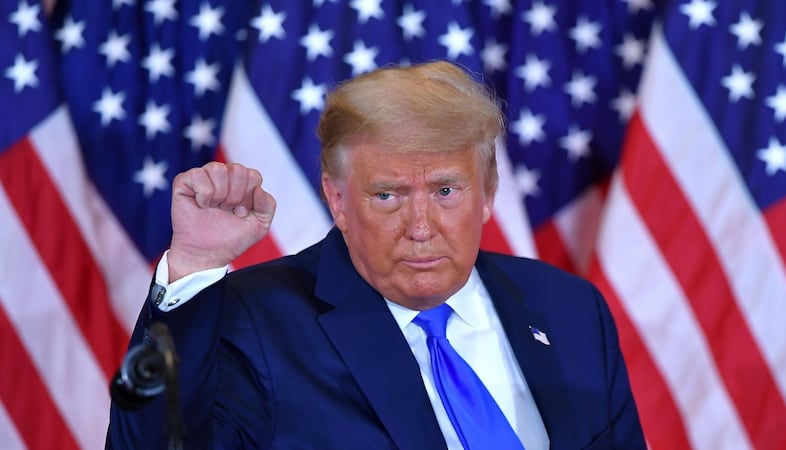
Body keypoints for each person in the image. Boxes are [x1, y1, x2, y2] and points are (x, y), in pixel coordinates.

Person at [106, 60, 646, 449]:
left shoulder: (568, 308)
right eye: (387, 195)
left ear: (487, 194)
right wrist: (196, 264)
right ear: (337, 200)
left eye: (445, 191)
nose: (420, 227)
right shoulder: (257, 321)